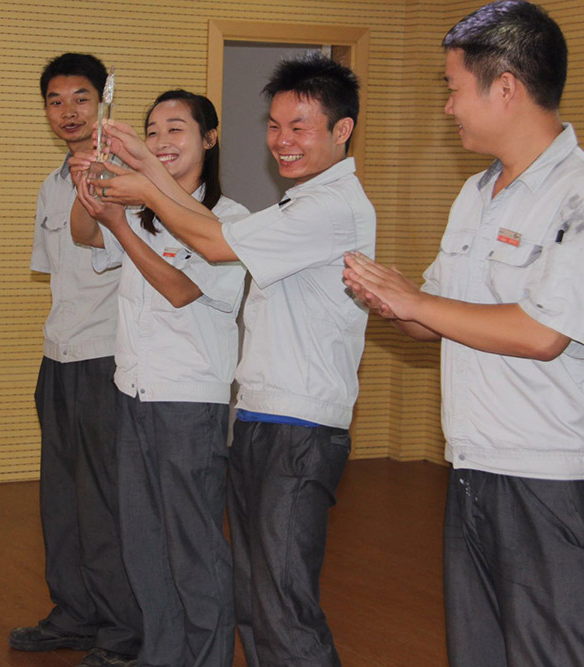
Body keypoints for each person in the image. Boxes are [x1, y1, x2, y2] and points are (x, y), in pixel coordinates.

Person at [342, 2, 584, 665]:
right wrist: (392, 302)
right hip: (474, 468)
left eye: (454, 88)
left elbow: (543, 333)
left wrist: (418, 302)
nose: (448, 107)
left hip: (554, 483)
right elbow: (439, 314)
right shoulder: (476, 193)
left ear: (506, 88)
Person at [94, 54, 374, 666]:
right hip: (260, 415)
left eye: (299, 127)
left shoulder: (327, 209)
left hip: (295, 422)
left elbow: (215, 243)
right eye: (274, 126)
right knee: (255, 594)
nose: (282, 140)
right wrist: (144, 171)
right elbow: (202, 229)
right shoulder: (296, 206)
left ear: (342, 129)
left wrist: (140, 193)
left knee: (279, 601)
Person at [71, 89, 247, 667]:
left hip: (188, 402)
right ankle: (163, 655)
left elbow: (180, 290)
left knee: (194, 548)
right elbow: (83, 232)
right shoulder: (141, 210)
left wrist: (121, 225)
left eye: (176, 129)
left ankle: (207, 659)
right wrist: (88, 184)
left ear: (209, 139)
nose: (162, 141)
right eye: (151, 131)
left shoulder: (229, 221)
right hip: (133, 391)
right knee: (143, 546)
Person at [8, 53, 141, 667]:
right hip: (58, 356)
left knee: (103, 501)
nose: (68, 111)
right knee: (59, 498)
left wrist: (101, 175)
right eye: (55, 101)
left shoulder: (126, 179)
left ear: (103, 103)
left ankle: (121, 630)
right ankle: (73, 613)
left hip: (107, 358)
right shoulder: (51, 184)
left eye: (81, 98)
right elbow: (56, 274)